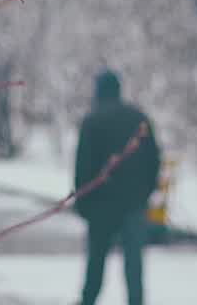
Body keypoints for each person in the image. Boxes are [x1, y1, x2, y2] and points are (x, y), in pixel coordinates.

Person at [72, 70, 162, 305]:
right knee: (133, 264)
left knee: (96, 262)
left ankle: (88, 300)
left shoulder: (92, 121)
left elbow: (83, 167)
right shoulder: (138, 118)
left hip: (100, 206)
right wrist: (146, 193)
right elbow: (154, 160)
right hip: (132, 204)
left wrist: (82, 203)